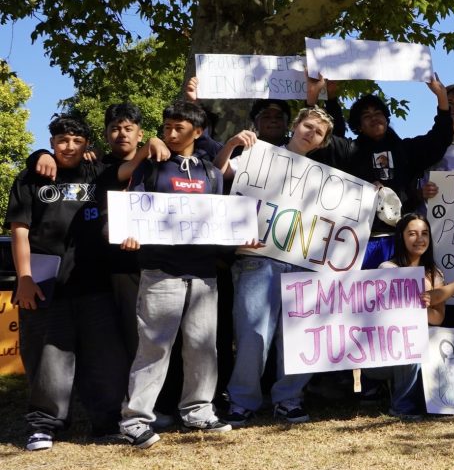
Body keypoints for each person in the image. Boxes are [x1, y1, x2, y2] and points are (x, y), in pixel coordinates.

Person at [6, 114, 128, 451]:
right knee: (46, 359)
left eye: (76, 140)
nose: (69, 146)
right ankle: (44, 425)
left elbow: (128, 170)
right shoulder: (32, 176)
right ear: (52, 141)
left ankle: (105, 424)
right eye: (62, 140)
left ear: (87, 143)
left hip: (94, 284)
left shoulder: (96, 171)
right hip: (45, 284)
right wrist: (25, 278)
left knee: (104, 359)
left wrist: (152, 146)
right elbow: (19, 230)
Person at [118, 101, 233, 447]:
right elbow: (131, 201)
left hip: (202, 274)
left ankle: (197, 411)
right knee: (154, 346)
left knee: (202, 347)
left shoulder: (211, 173)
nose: (170, 133)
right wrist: (129, 230)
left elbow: (221, 219)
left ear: (198, 133)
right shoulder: (152, 167)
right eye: (167, 127)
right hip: (160, 270)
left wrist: (243, 239)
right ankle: (135, 419)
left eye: (178, 128)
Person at [217, 107, 338, 426]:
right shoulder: (257, 155)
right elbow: (219, 175)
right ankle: (243, 400)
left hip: (303, 263)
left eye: (318, 132)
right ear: (295, 126)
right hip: (257, 258)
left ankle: (289, 398)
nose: (310, 133)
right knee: (252, 332)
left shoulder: (329, 180)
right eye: (307, 126)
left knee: (300, 333)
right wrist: (230, 146)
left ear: (322, 142)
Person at [308, 77, 451, 269]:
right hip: (358, 243)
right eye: (366, 116)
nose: (374, 117)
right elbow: (316, 140)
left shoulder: (406, 150)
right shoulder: (349, 151)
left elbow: (440, 138)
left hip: (402, 242)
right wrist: (317, 98)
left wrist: (441, 97)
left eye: (378, 113)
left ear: (386, 118)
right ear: (359, 126)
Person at [369, 213, 454, 417]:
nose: (420, 239)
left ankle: (438, 401)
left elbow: (438, 318)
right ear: (401, 238)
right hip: (387, 353)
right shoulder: (387, 269)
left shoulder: (436, 274)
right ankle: (401, 406)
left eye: (424, 233)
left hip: (426, 349)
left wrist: (423, 309)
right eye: (412, 234)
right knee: (411, 340)